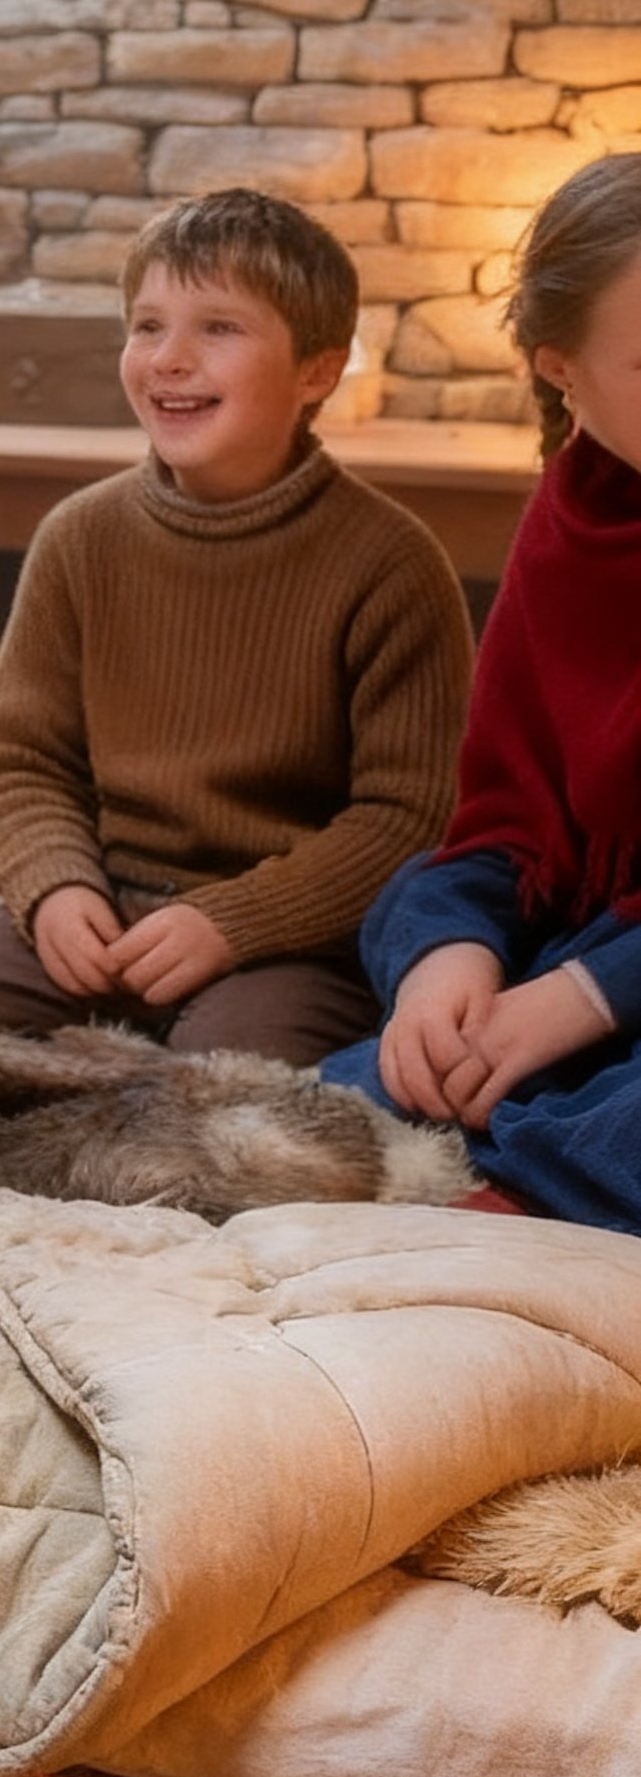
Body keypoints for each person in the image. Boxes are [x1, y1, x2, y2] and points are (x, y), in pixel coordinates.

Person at [0, 189, 470, 1063]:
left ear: (317, 372)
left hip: (284, 941)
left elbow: (408, 818)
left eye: (218, 329)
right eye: (147, 326)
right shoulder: (79, 537)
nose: (169, 360)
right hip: (101, 907)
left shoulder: (391, 563)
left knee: (224, 1102)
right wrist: (55, 889)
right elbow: (26, 760)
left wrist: (231, 922)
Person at [334, 155, 641, 1221]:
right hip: (596, 935)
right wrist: (446, 966)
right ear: (563, 370)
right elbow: (503, 830)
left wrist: (578, 998)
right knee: (409, 945)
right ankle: (508, 1139)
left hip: (610, 976)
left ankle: (523, 1181)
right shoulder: (569, 526)